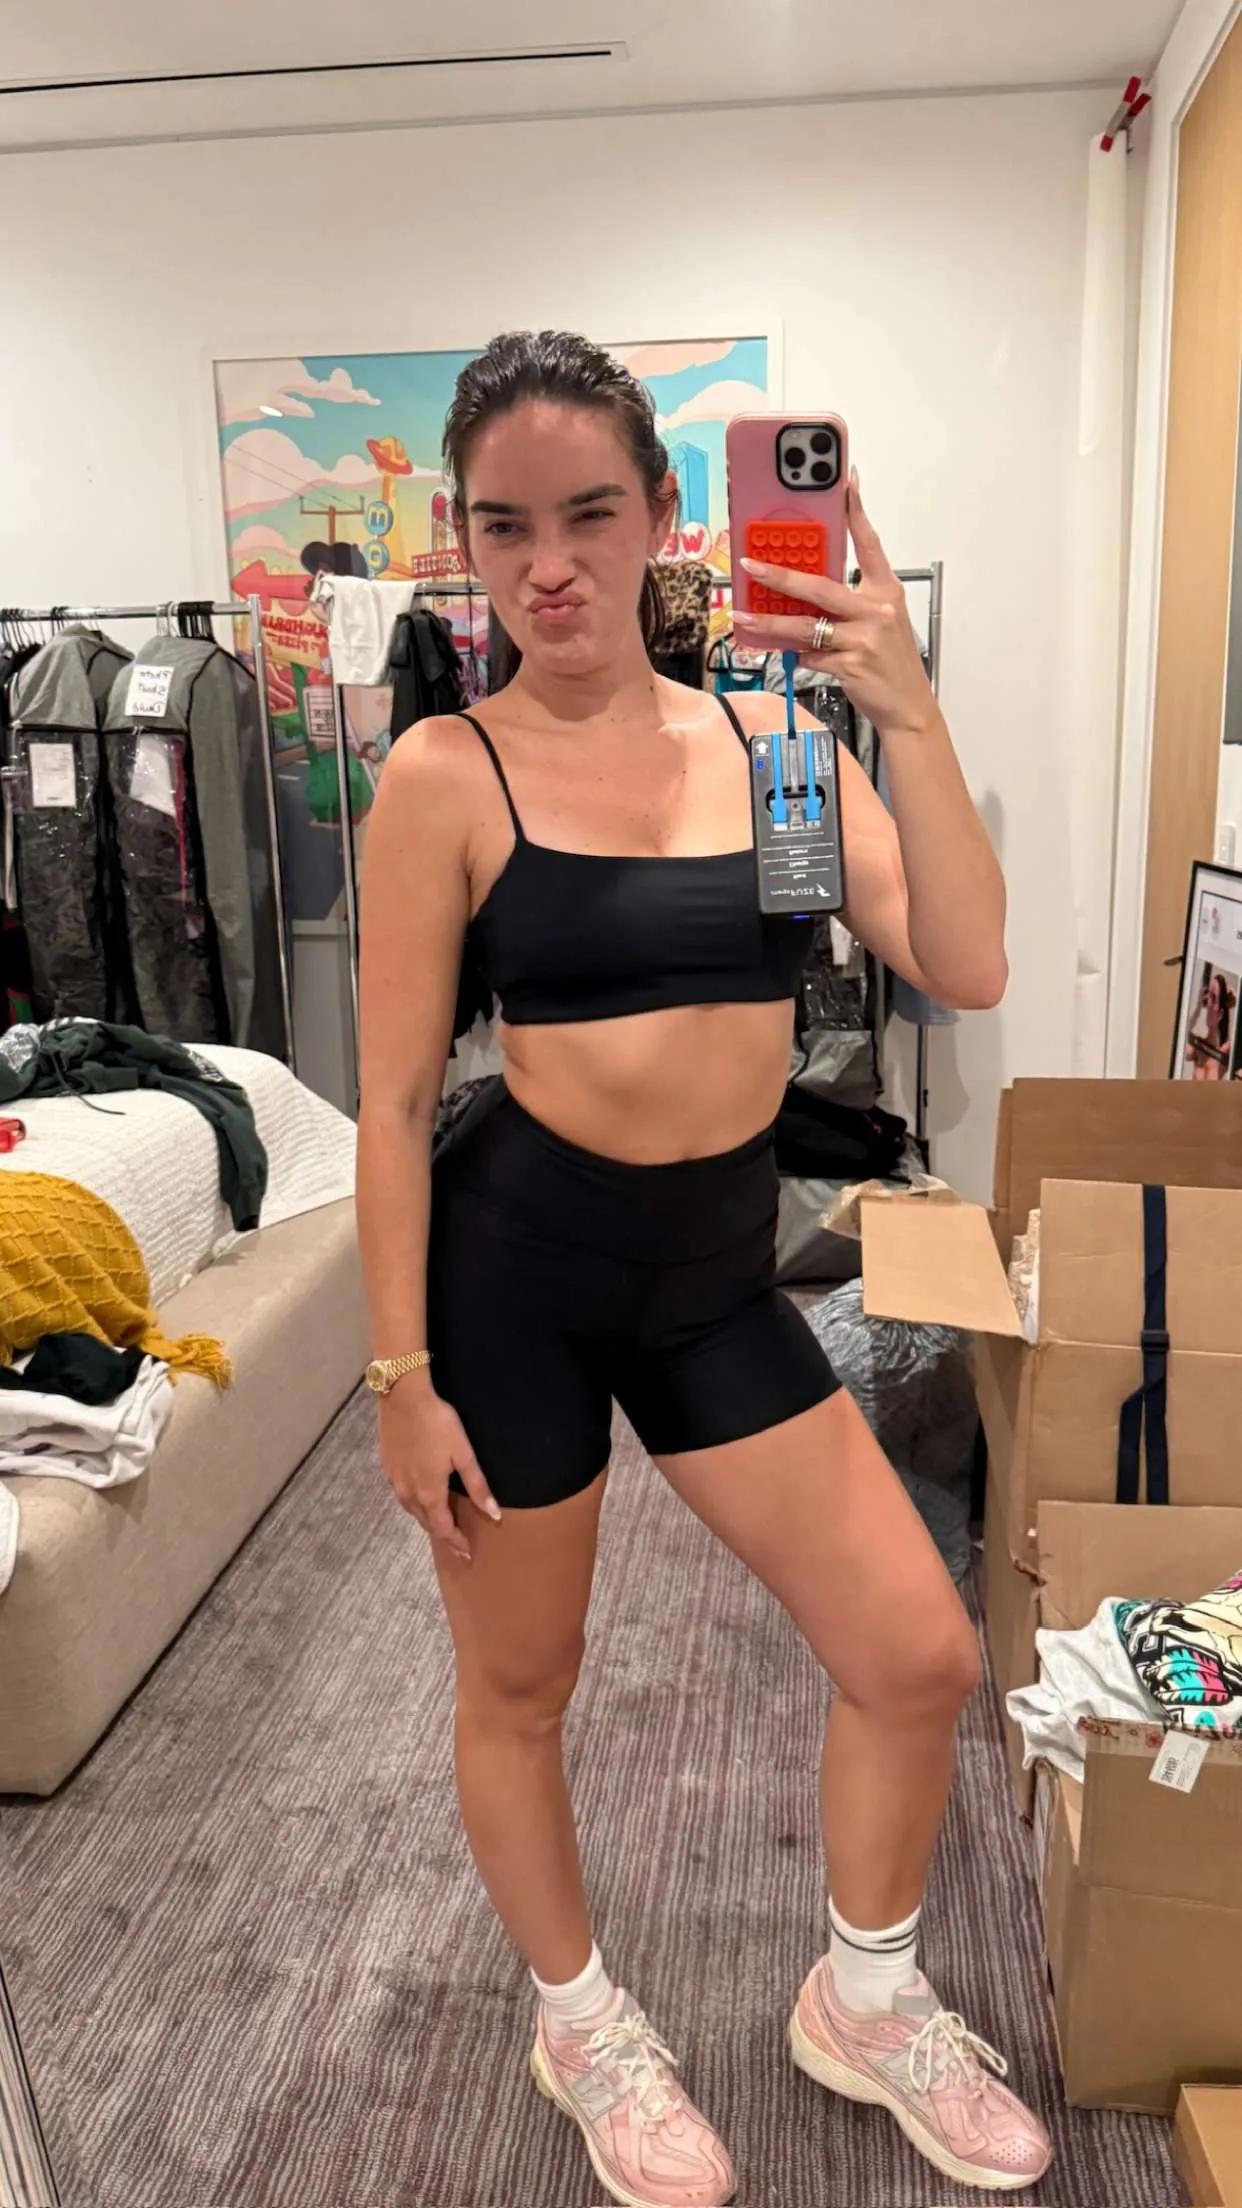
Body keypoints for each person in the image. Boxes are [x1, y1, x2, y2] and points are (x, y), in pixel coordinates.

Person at [356, 331, 1052, 2206]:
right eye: (505, 527)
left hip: (711, 1281)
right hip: (515, 1280)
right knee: (524, 1681)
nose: (549, 567)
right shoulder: (445, 771)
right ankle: (579, 2020)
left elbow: (967, 965)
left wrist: (905, 706)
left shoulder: (777, 746)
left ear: (667, 515)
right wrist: (399, 1379)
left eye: (590, 514)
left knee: (915, 1651)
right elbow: (396, 1099)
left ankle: (865, 1999)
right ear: (464, 541)